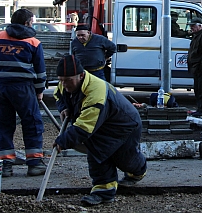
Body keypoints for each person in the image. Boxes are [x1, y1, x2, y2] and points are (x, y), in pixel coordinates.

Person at [53, 55, 147, 206]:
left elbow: (83, 128)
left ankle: (138, 170)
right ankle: (103, 191)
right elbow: (58, 95)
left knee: (125, 159)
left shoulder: (96, 91)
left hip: (124, 125)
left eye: (68, 80)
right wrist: (63, 107)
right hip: (99, 124)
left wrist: (63, 141)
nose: (64, 84)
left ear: (81, 75)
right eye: (61, 80)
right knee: (97, 152)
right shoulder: (65, 83)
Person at [0, 8, 47, 178]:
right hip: (23, 88)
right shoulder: (33, 42)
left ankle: (6, 164)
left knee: (3, 124)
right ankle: (34, 163)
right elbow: (41, 71)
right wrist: (39, 90)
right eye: (32, 21)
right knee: (32, 122)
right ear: (28, 23)